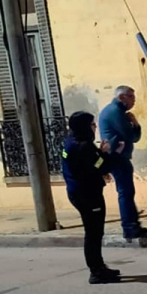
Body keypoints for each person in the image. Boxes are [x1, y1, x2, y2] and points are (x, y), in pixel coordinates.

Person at [61, 111, 121, 284]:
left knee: (94, 232)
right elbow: (101, 166)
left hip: (79, 192)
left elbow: (87, 165)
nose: (94, 127)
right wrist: (107, 153)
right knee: (94, 233)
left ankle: (99, 267)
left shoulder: (70, 141)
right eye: (92, 124)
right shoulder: (83, 146)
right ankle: (96, 271)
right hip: (88, 194)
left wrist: (99, 156)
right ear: (84, 127)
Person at [98, 86, 147, 240]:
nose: (134, 101)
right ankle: (130, 227)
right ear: (122, 97)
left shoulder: (115, 111)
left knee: (127, 192)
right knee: (126, 193)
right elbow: (132, 136)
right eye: (131, 97)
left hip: (119, 157)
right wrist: (135, 124)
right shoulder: (115, 112)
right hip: (117, 158)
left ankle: (132, 225)